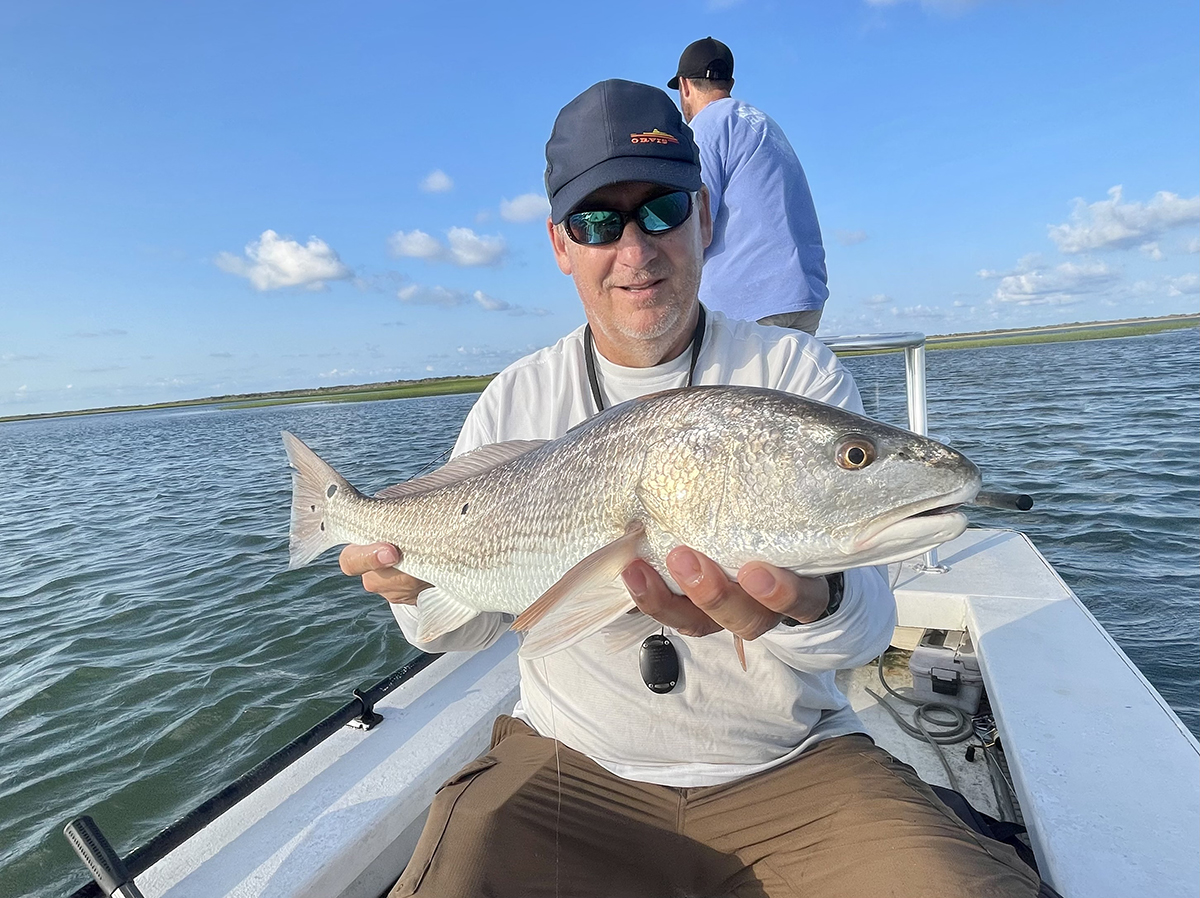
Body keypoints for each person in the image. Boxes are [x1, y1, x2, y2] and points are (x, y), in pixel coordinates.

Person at [339, 80, 1050, 898]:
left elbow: (864, 634)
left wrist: (812, 603)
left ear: (705, 218)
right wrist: (410, 581)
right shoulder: (515, 400)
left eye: (663, 210)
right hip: (572, 761)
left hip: (788, 763)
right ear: (561, 245)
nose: (635, 250)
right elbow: (460, 632)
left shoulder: (794, 374)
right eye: (598, 222)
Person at [669, 37, 829, 335]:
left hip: (750, 305)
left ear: (684, 86)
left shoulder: (704, 129)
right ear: (729, 81)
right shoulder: (765, 124)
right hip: (805, 297)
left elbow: (693, 224)